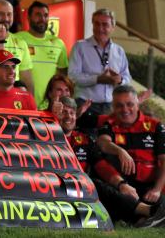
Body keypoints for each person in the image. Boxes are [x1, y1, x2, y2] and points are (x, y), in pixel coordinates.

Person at [59, 96, 165, 227]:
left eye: (72, 113)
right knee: (93, 183)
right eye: (63, 112)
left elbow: (101, 165)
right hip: (57, 187)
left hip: (82, 191)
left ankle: (140, 220)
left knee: (104, 183)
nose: (68, 117)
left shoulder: (84, 139)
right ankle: (148, 211)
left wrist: (121, 184)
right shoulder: (47, 136)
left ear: (77, 116)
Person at [97, 85, 165, 226]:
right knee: (99, 187)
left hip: (151, 189)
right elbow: (103, 142)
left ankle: (140, 217)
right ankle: (146, 216)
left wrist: (157, 190)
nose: (125, 110)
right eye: (119, 106)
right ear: (113, 107)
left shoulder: (155, 126)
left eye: (129, 104)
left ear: (137, 103)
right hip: (124, 187)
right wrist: (120, 151)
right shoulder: (108, 123)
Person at [68, 8, 132, 116]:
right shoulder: (80, 46)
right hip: (85, 104)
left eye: (105, 25)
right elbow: (72, 77)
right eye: (96, 24)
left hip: (111, 106)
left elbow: (127, 78)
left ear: (112, 27)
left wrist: (120, 80)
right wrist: (97, 79)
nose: (100, 28)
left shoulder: (119, 51)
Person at [16, 1, 68, 110]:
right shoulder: (17, 38)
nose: (42, 19)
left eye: (45, 15)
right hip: (21, 103)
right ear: (29, 18)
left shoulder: (58, 43)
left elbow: (63, 75)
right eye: (38, 15)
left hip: (50, 106)